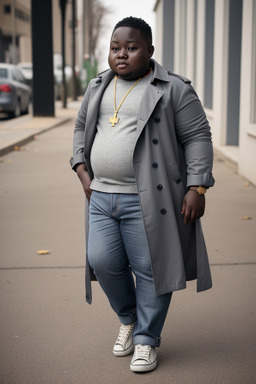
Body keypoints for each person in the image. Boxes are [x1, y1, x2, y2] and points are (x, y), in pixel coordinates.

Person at [70, 16, 215, 373]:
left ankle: (147, 339)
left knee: (150, 269)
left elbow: (198, 137)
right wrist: (82, 171)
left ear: (149, 51)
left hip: (149, 200)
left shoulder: (174, 88)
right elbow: (79, 129)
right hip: (101, 196)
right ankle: (130, 319)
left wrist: (198, 186)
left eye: (132, 48)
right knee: (102, 262)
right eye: (115, 48)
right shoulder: (97, 86)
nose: (122, 55)